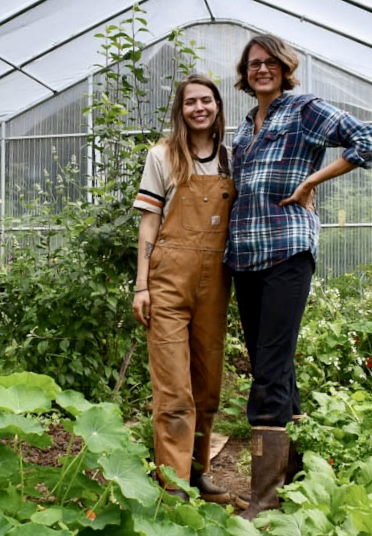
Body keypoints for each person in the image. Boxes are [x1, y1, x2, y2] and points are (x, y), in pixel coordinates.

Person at [225, 34, 372, 520]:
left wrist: (312, 181)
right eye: (253, 64)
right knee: (270, 361)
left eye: (269, 62)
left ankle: (265, 499)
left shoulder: (303, 108)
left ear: (284, 66)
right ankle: (293, 480)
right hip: (245, 256)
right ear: (244, 72)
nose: (261, 70)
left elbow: (369, 143)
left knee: (269, 367)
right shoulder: (244, 127)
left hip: (287, 250)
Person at [132, 74, 236, 503]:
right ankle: (172, 487)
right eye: (190, 102)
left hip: (216, 282)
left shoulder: (231, 157)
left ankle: (197, 475)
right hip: (169, 279)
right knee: (174, 389)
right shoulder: (162, 156)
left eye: (206, 100)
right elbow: (150, 221)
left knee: (207, 385)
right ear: (181, 110)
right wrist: (142, 285)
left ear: (217, 107)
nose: (199, 108)